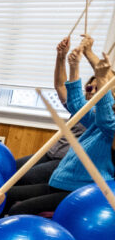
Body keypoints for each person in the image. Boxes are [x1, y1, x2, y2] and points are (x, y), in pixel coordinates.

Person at [4, 37, 114, 216]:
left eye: (99, 89)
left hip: (79, 190)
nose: (93, 92)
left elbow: (107, 120)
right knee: (3, 194)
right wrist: (74, 66)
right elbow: (76, 103)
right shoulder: (94, 119)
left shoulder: (109, 126)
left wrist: (102, 78)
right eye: (90, 88)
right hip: (61, 182)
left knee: (19, 207)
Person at [13, 37, 89, 187]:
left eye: (96, 88)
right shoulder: (80, 106)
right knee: (11, 169)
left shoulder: (103, 117)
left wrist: (77, 64)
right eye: (88, 88)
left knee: (21, 179)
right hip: (52, 153)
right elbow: (60, 85)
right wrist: (61, 57)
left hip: (66, 162)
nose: (91, 92)